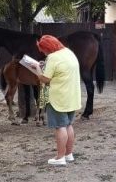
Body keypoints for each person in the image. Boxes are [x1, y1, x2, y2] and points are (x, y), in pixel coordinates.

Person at [32, 35, 81, 166]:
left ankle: (60, 158)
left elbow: (46, 79)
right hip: (72, 96)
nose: (42, 52)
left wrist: (37, 69)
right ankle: (68, 154)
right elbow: (60, 71)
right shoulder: (68, 52)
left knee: (60, 127)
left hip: (58, 98)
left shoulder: (52, 57)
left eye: (42, 49)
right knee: (68, 125)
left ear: (47, 48)